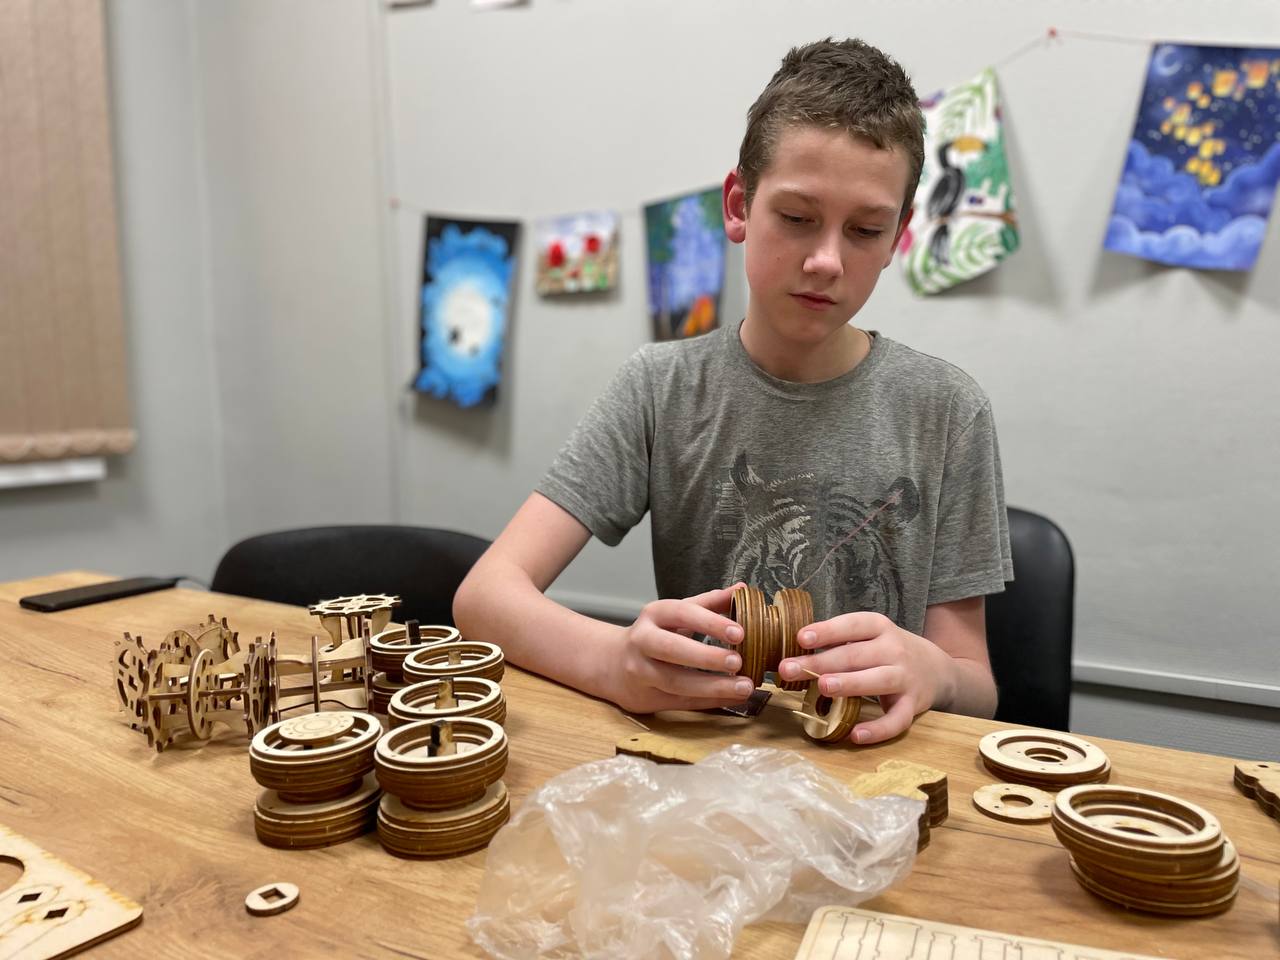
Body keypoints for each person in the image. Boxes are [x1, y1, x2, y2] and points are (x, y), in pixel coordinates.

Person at [453, 37, 1012, 745]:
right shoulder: (661, 390)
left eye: (866, 230)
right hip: (704, 770)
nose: (826, 260)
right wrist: (616, 661)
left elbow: (977, 686)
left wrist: (937, 672)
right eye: (798, 218)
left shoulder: (948, 411)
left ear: (899, 236)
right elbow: (484, 598)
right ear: (739, 205)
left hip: (872, 775)